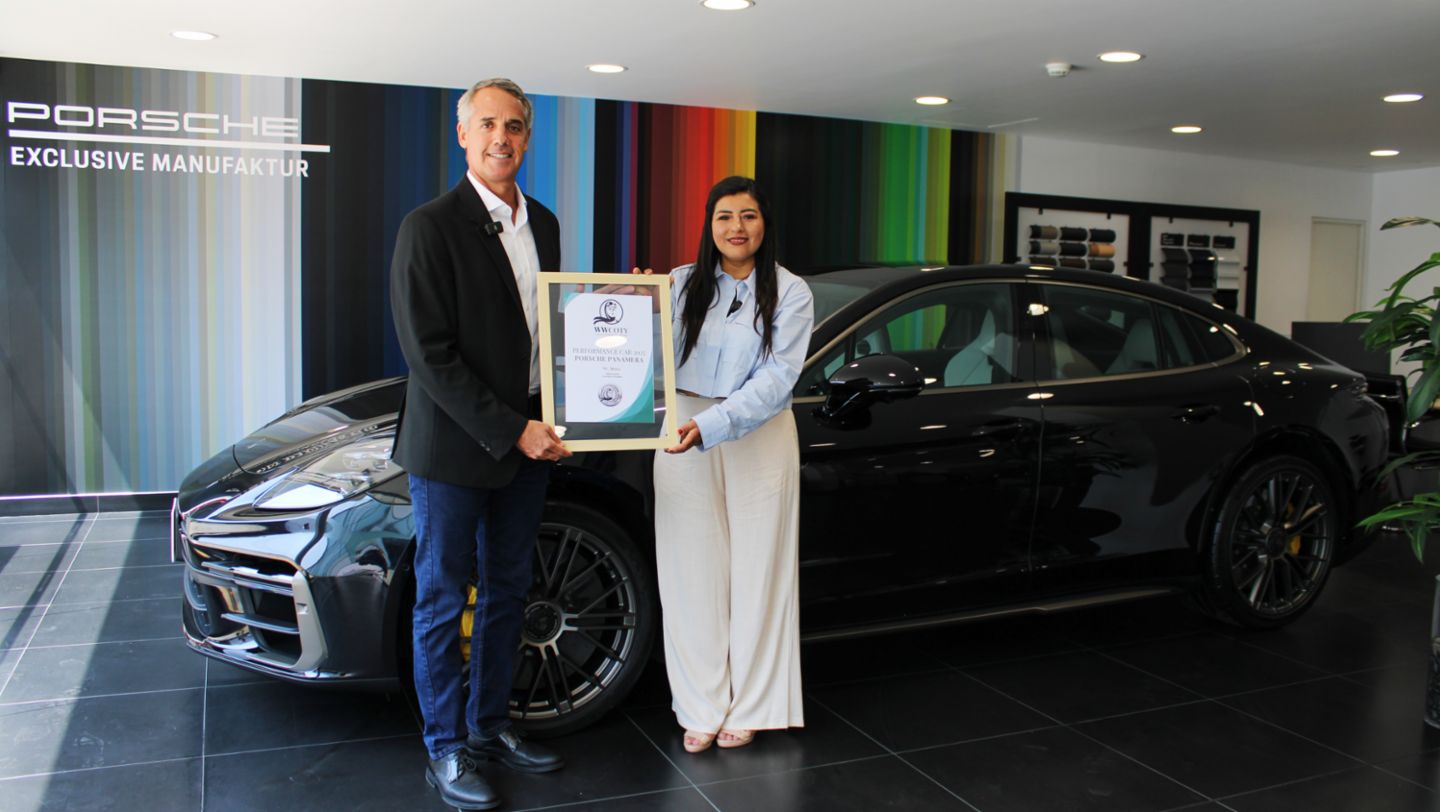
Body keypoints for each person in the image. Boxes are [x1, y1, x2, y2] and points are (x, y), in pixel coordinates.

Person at [389, 77, 571, 811]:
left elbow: (551, 329)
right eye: (489, 124)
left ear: (529, 138)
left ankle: (489, 729)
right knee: (441, 600)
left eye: (516, 126)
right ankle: (445, 749)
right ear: (462, 134)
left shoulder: (547, 224)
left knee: (507, 593)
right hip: (458, 451)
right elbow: (429, 356)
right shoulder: (428, 226)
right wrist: (511, 427)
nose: (503, 137)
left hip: (530, 444)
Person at [651, 175, 814, 753]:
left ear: (764, 224)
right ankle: (700, 706)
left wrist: (713, 427)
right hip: (681, 429)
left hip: (760, 433)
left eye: (747, 216)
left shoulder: (791, 292)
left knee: (758, 572)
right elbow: (644, 356)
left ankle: (754, 706)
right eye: (724, 216)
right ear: (709, 224)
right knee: (689, 572)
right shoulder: (678, 283)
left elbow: (776, 379)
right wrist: (630, 303)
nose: (736, 228)